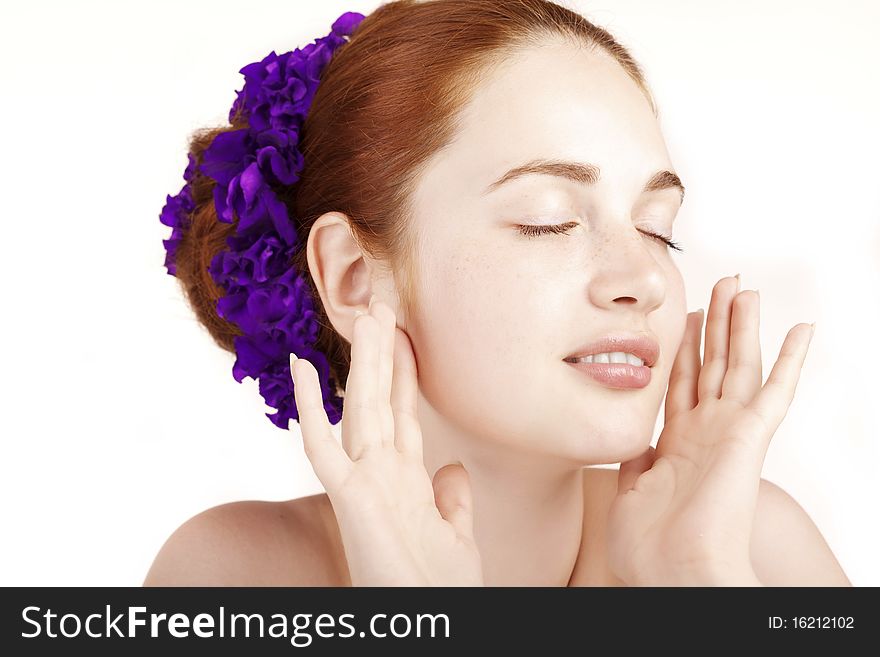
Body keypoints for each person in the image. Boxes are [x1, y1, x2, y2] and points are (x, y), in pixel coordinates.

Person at [145, 0, 850, 587]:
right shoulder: (232, 576)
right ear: (354, 276)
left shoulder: (753, 547)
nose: (642, 279)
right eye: (550, 220)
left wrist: (702, 582)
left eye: (658, 228)